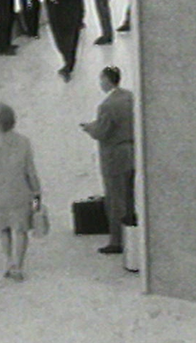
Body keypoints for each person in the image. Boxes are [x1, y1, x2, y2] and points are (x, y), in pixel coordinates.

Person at [0, 103, 43, 282]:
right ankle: (19, 264)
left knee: (3, 230)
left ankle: (8, 261)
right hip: (20, 192)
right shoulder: (24, 142)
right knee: (21, 230)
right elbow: (30, 171)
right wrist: (37, 191)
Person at [80, 66, 135, 255]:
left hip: (114, 156)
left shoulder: (106, 105)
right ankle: (133, 235)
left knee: (115, 199)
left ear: (106, 80)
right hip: (132, 151)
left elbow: (103, 132)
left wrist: (89, 128)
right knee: (130, 196)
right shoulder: (129, 97)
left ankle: (117, 240)